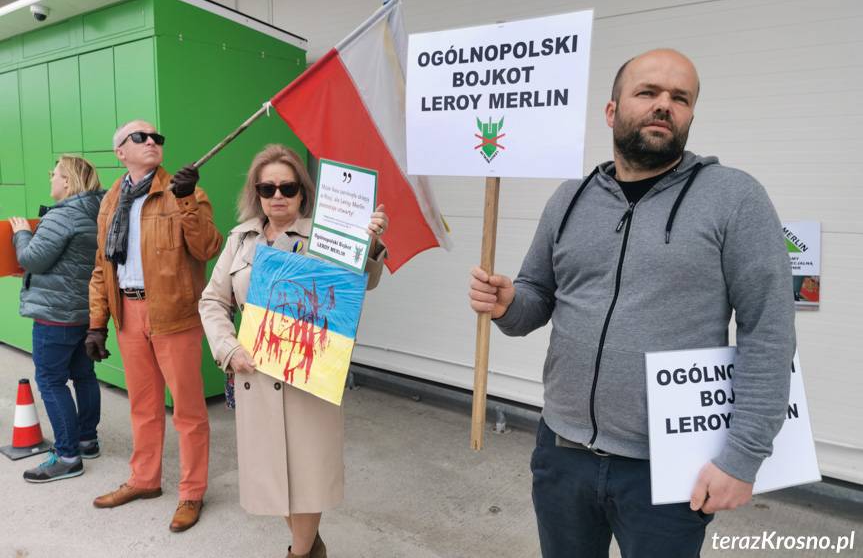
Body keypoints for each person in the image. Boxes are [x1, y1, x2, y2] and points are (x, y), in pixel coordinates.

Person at [468, 49, 795, 558]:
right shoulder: (569, 199)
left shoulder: (734, 198)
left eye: (679, 98)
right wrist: (508, 303)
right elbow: (535, 300)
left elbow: (768, 332)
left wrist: (742, 457)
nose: (664, 105)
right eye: (648, 92)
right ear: (611, 110)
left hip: (669, 470)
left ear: (690, 115)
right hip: (561, 453)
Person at [199, 144, 388, 558]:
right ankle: (312, 548)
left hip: (309, 376)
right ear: (257, 193)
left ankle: (300, 553)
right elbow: (212, 301)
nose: (277, 196)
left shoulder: (329, 234)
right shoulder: (240, 239)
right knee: (274, 480)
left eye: (287, 187)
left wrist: (367, 243)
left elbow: (362, 283)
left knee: (307, 477)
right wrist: (227, 349)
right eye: (267, 188)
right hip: (255, 375)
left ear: (302, 192)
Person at [87, 120, 222, 532]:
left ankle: (191, 491)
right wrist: (97, 323)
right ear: (120, 152)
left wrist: (185, 201)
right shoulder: (112, 200)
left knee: (188, 411)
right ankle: (145, 480)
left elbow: (207, 247)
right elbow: (101, 266)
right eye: (140, 138)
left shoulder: (183, 191)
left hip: (175, 315)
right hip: (129, 313)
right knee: (143, 407)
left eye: (157, 138)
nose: (152, 142)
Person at [9, 155, 104, 483]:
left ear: (68, 182)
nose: (51, 179)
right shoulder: (97, 212)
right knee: (83, 375)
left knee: (50, 381)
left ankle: (67, 456)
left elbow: (32, 260)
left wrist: (21, 234)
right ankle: (87, 440)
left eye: (55, 175)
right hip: (84, 311)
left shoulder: (62, 216)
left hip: (55, 315)